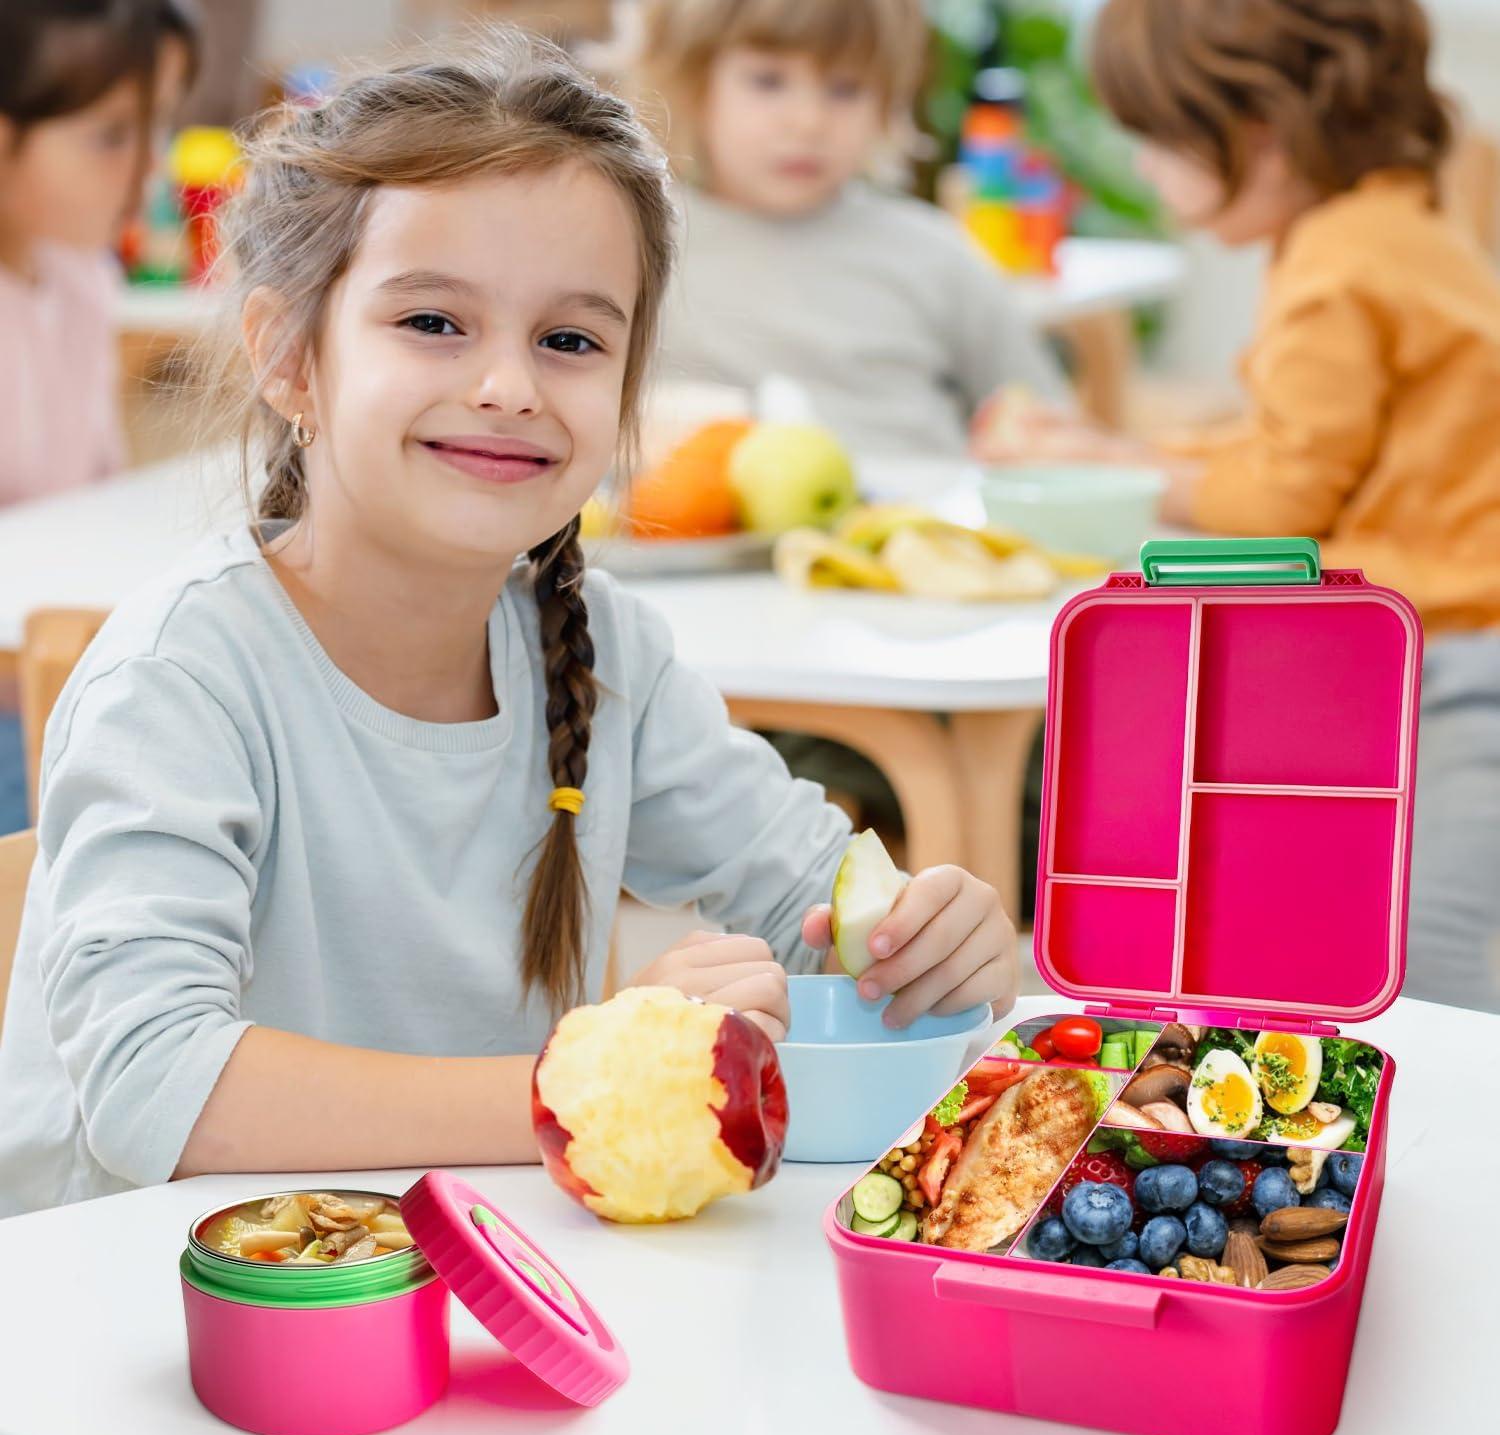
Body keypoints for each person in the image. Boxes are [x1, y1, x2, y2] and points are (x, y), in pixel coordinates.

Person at [0, 31, 1017, 1217]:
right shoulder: (182, 679)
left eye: (571, 341)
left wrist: (933, 937)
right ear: (288, 357)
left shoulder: (603, 650)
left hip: (453, 1277)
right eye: (433, 322)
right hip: (141, 1320)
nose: (509, 386)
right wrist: (589, 1081)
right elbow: (152, 1087)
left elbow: (817, 904)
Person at [982, 0, 1500, 1012]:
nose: (1149, 174)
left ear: (1258, 134)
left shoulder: (1336, 274)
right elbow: (1306, 440)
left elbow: (1282, 493)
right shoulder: (1383, 221)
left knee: (1416, 954)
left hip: (1453, 648)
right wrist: (1127, 449)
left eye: (1161, 143)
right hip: (1433, 629)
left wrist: (1126, 463)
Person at [637, 0, 1071, 461]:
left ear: (887, 102)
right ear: (693, 82)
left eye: (845, 89)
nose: (808, 122)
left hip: (918, 524)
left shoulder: (932, 252)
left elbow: (1046, 423)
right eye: (768, 81)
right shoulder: (642, 245)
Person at [0, 0, 198, 838]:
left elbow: (89, 503)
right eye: (111, 136)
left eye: (157, 133)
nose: (146, 173)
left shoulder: (75, 279)